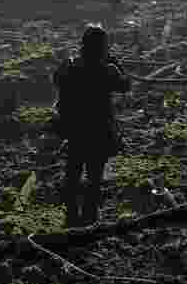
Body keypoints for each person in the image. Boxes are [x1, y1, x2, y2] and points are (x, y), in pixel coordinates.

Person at [52, 24, 131, 227]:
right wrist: (116, 63)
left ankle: (71, 216)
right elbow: (125, 86)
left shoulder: (69, 65)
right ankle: (89, 218)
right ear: (103, 47)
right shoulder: (107, 70)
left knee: (73, 172)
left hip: (75, 129)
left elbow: (56, 80)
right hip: (99, 130)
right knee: (94, 177)